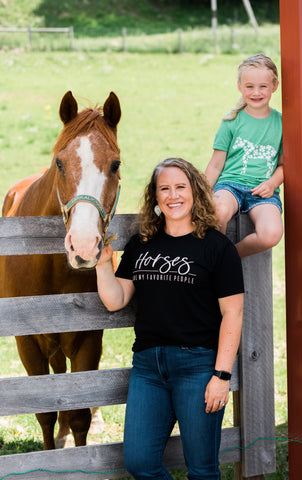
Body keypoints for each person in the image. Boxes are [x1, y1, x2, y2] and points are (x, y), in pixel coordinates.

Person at [96, 157, 244, 480]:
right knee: (139, 463)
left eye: (180, 187)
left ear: (195, 192)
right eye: (164, 188)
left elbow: (233, 313)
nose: (173, 195)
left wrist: (221, 375)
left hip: (199, 367)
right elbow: (115, 299)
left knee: (203, 470)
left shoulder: (217, 248)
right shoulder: (141, 244)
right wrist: (103, 263)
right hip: (148, 368)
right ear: (155, 196)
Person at [205, 54, 283, 258]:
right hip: (230, 186)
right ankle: (213, 258)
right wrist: (202, 192)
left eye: (263, 86)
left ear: (275, 86)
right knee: (218, 209)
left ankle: (227, 257)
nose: (256, 92)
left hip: (263, 192)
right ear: (239, 86)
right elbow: (215, 165)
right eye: (249, 86)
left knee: (271, 235)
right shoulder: (231, 121)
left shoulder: (282, 123)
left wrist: (272, 183)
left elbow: (284, 165)